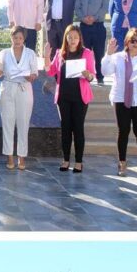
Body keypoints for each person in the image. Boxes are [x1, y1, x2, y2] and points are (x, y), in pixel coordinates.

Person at [101, 30, 137, 178]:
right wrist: (108, 54)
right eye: (133, 41)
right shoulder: (118, 57)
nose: (136, 44)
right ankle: (122, 163)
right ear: (127, 42)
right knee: (123, 131)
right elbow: (105, 71)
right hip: (121, 99)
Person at [43, 24, 95, 173]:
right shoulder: (60, 53)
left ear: (80, 39)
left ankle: (78, 161)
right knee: (65, 129)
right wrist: (47, 56)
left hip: (80, 97)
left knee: (78, 129)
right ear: (66, 38)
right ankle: (66, 160)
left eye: (75, 37)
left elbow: (92, 76)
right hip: (63, 97)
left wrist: (88, 75)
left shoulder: (86, 53)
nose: (72, 40)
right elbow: (50, 71)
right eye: (70, 37)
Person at [0, 26, 39, 170]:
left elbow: (34, 74)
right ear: (11, 38)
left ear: (24, 39)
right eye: (15, 37)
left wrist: (31, 77)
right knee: (8, 123)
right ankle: (9, 156)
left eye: (20, 38)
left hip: (24, 88)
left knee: (23, 123)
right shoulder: (4, 53)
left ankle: (22, 157)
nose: (17, 40)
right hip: (7, 88)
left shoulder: (30, 53)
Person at [76, 0, 108, 85]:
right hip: (84, 27)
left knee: (99, 54)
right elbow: (77, 7)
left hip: (98, 26)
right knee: (83, 54)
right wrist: (83, 18)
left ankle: (100, 77)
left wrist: (94, 17)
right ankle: (85, 77)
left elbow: (104, 7)